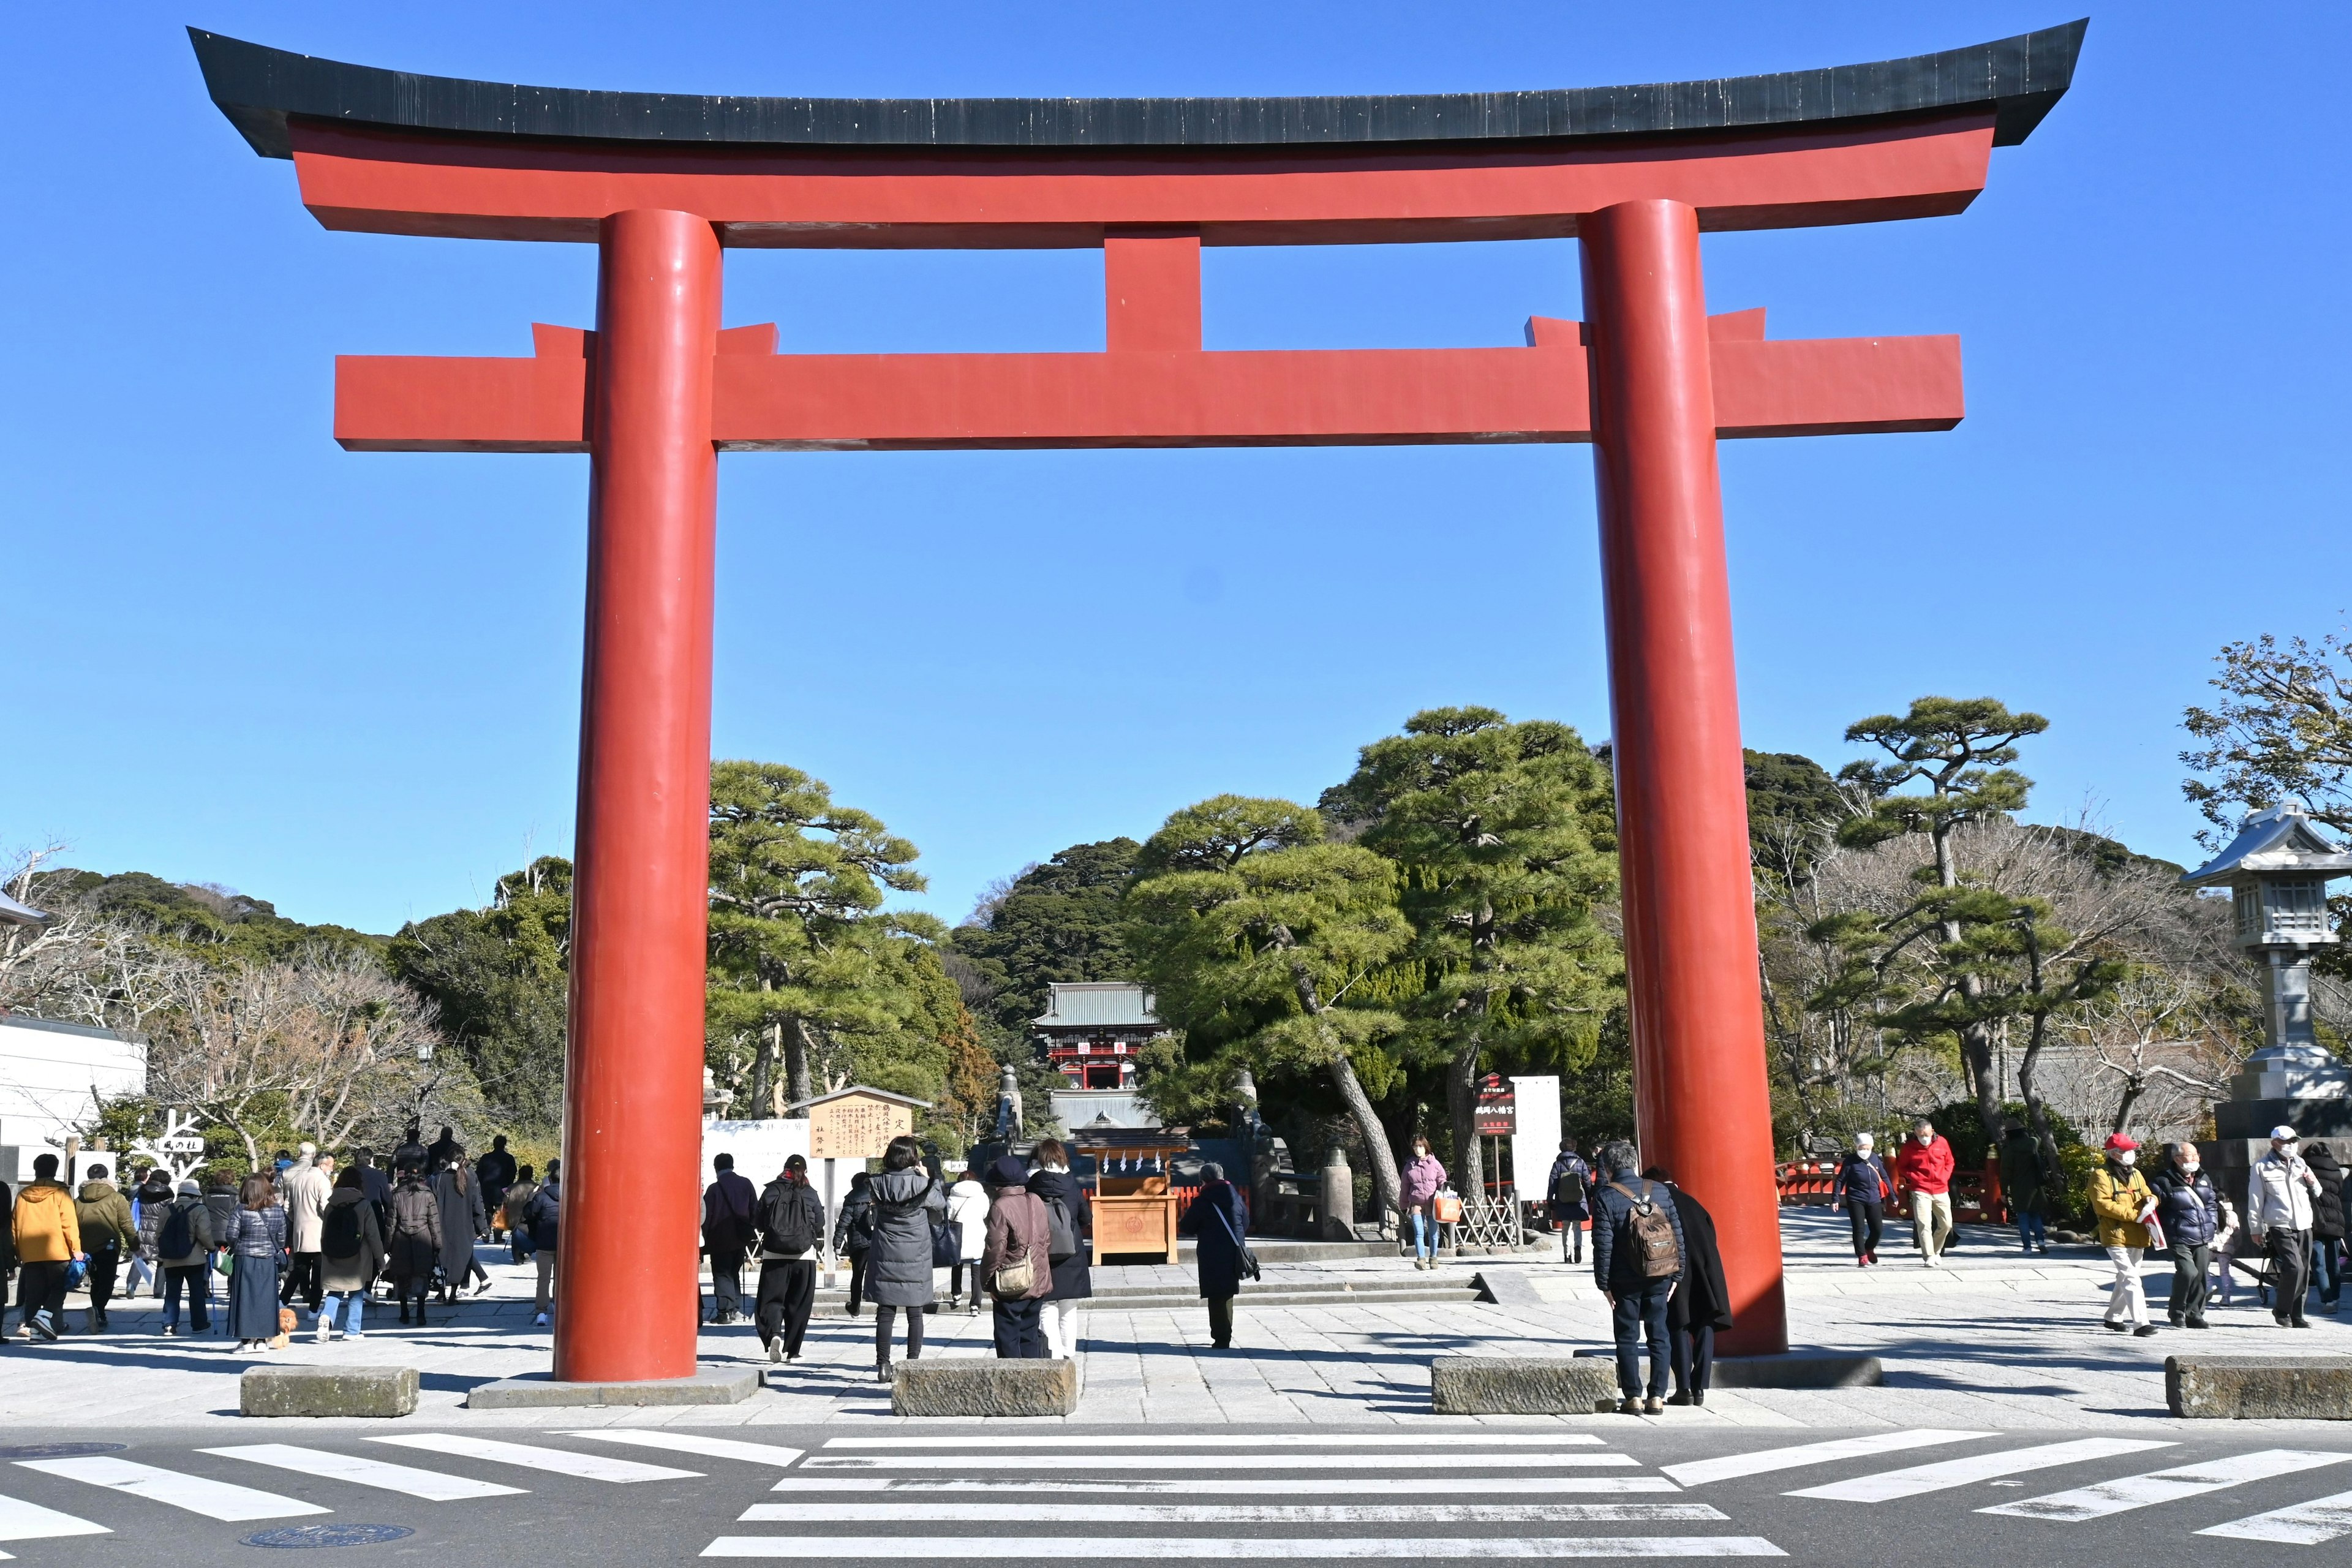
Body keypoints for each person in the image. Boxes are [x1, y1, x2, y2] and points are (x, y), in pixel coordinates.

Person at [1590, 1139, 1684, 1415]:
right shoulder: (1660, 1191)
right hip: (1660, 1273)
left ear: (1608, 1168)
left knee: (1627, 1337)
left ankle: (1632, 1397)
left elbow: (1603, 1244)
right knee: (1659, 1334)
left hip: (1625, 1279)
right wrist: (1677, 1274)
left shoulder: (1606, 1196)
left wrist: (1604, 1283)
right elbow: (1676, 1233)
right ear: (1634, 1163)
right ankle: (1657, 1396)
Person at [864, 1134, 947, 1382]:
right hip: (916, 1256)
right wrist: (927, 1176)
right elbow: (940, 1204)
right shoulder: (922, 1184)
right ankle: (912, 1364)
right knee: (915, 1312)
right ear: (913, 1158)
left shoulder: (877, 1183)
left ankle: (883, 1365)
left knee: (886, 1312)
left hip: (885, 1254)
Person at [1646, 1167, 1730, 1408]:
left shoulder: (1658, 1205)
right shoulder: (1696, 1204)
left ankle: (1684, 1388)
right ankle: (1700, 1387)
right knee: (1704, 1323)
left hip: (1676, 1269)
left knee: (1678, 1324)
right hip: (1706, 1271)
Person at [752, 1154, 826, 1363]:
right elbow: (820, 1224)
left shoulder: (771, 1190)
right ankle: (793, 1352)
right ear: (805, 1170)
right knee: (799, 1303)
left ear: (784, 1169)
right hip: (804, 1256)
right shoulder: (810, 1193)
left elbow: (758, 1222)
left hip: (774, 1255)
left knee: (772, 1299)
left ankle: (774, 1332)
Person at [2249, 1125, 2321, 1329]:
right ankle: (2281, 1309)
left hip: (2304, 1222)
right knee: (2294, 1266)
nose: (2292, 1145)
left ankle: (2297, 1314)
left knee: (2305, 1270)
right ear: (2275, 1144)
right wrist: (2255, 1228)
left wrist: (2312, 1181)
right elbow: (2255, 1199)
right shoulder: (2261, 1167)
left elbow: (2317, 1191)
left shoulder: (2301, 1164)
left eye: (2294, 1141)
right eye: (2287, 1141)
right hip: (2279, 1224)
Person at [1027, 1139, 1093, 1360]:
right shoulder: (1071, 1184)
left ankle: (1053, 1354)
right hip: (1071, 1252)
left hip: (1041, 1252)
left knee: (1046, 1308)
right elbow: (1086, 1217)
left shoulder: (1030, 1186)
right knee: (1068, 1308)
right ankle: (1068, 1354)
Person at [979, 1155, 1051, 1358]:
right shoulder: (1035, 1200)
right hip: (1038, 1279)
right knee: (1030, 1335)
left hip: (1012, 1283)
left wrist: (987, 1282)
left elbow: (995, 1249)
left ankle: (1012, 1385)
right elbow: (1046, 1240)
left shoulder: (1000, 1206)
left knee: (1007, 1337)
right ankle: (1033, 1382)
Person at [2089, 1132, 2158, 1336]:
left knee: (2127, 1276)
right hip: (2115, 1232)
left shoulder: (2136, 1173)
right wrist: (2133, 1215)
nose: (2130, 1154)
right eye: (2125, 1150)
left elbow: (2147, 1193)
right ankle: (2142, 1323)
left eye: (2131, 1150)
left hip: (2138, 1233)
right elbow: (2102, 1205)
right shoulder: (2100, 1175)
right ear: (2113, 1154)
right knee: (2131, 1278)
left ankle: (2113, 1316)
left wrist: (2152, 1200)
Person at [2149, 1142, 2223, 1330]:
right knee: (2188, 1271)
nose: (2195, 1159)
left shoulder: (2204, 1177)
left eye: (2196, 1155)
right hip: (2178, 1234)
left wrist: (2213, 1224)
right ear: (2177, 1159)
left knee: (2202, 1275)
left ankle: (2195, 1313)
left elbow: (2211, 1204)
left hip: (2202, 1234)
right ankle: (2177, 1311)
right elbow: (2156, 1206)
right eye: (2190, 1156)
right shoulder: (2164, 1181)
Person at [1179, 1161, 1251, 1349]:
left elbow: (1187, 1226)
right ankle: (1225, 1333)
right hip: (1234, 1251)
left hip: (1212, 1252)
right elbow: (1245, 1222)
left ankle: (1221, 1337)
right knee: (1228, 1292)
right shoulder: (1236, 1197)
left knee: (1216, 1294)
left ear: (1203, 1180)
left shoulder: (1204, 1201)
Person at [12, 1154, 83, 1342]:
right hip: (57, 1250)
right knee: (61, 1286)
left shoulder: (22, 1195)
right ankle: (45, 1316)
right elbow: (69, 1224)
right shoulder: (60, 1193)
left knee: (33, 1294)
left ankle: (35, 1334)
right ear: (55, 1170)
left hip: (30, 1253)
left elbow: (14, 1226)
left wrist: (18, 1250)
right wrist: (76, 1249)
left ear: (35, 1169)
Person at [318, 1165, 385, 1341]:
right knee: (356, 1292)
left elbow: (325, 1232)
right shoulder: (363, 1205)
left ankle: (326, 1316)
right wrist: (380, 1259)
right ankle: (352, 1330)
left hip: (333, 1253)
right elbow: (373, 1234)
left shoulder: (331, 1205)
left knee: (335, 1291)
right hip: (357, 1255)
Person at [226, 1172, 289, 1351]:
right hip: (268, 1259)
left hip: (245, 1258)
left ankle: (246, 1341)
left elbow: (231, 1235)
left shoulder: (241, 1209)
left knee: (244, 1299)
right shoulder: (277, 1209)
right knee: (266, 1299)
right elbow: (282, 1238)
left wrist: (240, 1246)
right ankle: (262, 1339)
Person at [74, 1163, 136, 1333]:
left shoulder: (78, 1200)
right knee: (107, 1281)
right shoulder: (116, 1198)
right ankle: (99, 1311)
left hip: (85, 1247)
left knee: (95, 1281)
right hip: (108, 1246)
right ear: (107, 1177)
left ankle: (97, 1311)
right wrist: (134, 1244)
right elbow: (126, 1224)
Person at [154, 1178, 217, 1336]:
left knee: (172, 1292)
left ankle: (169, 1324)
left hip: (170, 1258)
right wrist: (210, 1247)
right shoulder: (199, 1209)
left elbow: (159, 1234)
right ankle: (199, 1324)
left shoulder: (167, 1210)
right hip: (194, 1258)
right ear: (195, 1195)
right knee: (196, 1291)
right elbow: (204, 1233)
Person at [702, 1152, 758, 1325]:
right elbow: (755, 1210)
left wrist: (704, 1239)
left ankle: (725, 1311)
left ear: (716, 1167)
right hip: (740, 1238)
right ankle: (733, 1307)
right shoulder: (745, 1184)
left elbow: (706, 1217)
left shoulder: (714, 1189)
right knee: (733, 1272)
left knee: (722, 1275)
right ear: (732, 1165)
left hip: (719, 1239)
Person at [279, 1143, 331, 1322]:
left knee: (300, 1269)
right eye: (331, 1165)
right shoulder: (322, 1180)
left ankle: (282, 1301)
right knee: (318, 1272)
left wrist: (298, 1220)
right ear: (322, 1165)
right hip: (318, 1232)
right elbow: (326, 1207)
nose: (331, 1169)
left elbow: (288, 1208)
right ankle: (314, 1309)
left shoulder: (297, 1180)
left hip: (299, 1232)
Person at [386, 1160, 443, 1327]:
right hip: (423, 1238)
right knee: (421, 1275)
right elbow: (434, 1222)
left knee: (402, 1276)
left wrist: (387, 1245)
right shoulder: (428, 1195)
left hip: (401, 1239)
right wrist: (437, 1244)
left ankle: (404, 1312)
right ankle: (421, 1313)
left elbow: (391, 1223)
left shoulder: (397, 1195)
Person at [1894, 1120, 1956, 1266]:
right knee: (1923, 1223)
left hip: (1941, 1189)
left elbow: (1950, 1162)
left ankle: (1936, 1251)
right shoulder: (1909, 1147)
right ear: (1916, 1133)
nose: (1924, 1138)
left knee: (1947, 1224)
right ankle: (1928, 1256)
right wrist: (1915, 1178)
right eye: (1921, 1135)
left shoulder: (1942, 1143)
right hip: (1921, 1190)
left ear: (1932, 1131)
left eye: (1927, 1135)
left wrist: (1945, 1176)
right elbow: (1902, 1167)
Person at [429, 1153, 488, 1303]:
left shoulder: (440, 1179)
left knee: (442, 1259)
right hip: (464, 1226)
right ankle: (453, 1294)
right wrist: (483, 1228)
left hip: (442, 1224)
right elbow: (477, 1205)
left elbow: (431, 1202)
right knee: (459, 1260)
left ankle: (441, 1291)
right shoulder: (469, 1180)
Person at [1831, 1133, 1890, 1266]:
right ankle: (1862, 1255)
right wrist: (1835, 1199)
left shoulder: (1875, 1158)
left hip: (1874, 1198)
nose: (1865, 1151)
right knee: (1859, 1228)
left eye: (1868, 1148)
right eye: (1862, 1148)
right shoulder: (1850, 1161)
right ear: (1857, 1147)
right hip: (1856, 1198)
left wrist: (1892, 1195)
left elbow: (1885, 1177)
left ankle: (1869, 1247)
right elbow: (1840, 1180)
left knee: (1878, 1229)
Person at [2000, 1123, 2056, 1255]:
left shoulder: (2009, 1149)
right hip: (2035, 1186)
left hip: (2018, 1186)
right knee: (2035, 1215)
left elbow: (2005, 1173)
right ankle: (2041, 1241)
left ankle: (2027, 1247)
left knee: (2023, 1217)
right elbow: (2038, 1139)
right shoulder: (2032, 1143)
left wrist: (2003, 1192)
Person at [2306, 1141, 2345, 1316]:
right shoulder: (2337, 1171)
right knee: (2333, 1262)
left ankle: (2328, 1300)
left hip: (2315, 1220)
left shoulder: (2305, 1169)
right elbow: (2340, 1193)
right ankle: (2335, 1297)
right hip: (2336, 1220)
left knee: (2318, 1262)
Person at [945, 1163, 990, 1313]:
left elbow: (949, 1216)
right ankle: (975, 1304)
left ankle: (956, 1294)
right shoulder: (982, 1196)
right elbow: (985, 1214)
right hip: (977, 1234)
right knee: (976, 1271)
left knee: (956, 1265)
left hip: (958, 1235)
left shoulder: (952, 1197)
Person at [832, 1171, 876, 1316]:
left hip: (859, 1246)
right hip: (877, 1242)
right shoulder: (877, 1196)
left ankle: (855, 1307)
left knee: (857, 1276)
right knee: (878, 1276)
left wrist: (837, 1244)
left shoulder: (852, 1199)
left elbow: (843, 1223)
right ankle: (882, 1309)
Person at [1401, 1135, 1447, 1270]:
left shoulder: (1435, 1163)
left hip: (1433, 1203)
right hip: (1416, 1203)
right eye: (1415, 1147)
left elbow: (1442, 1179)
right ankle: (1421, 1259)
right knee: (1419, 1232)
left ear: (1425, 1147)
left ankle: (1433, 1258)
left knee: (1433, 1233)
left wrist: (1445, 1185)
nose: (1417, 1149)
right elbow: (1404, 1188)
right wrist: (1403, 1206)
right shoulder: (1409, 1166)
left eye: (1420, 1146)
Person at [524, 1160, 561, 1324]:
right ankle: (559, 1305)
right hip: (564, 1244)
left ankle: (541, 1312)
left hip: (544, 1243)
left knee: (543, 1278)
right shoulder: (572, 1195)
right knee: (561, 1279)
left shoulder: (541, 1197)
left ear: (550, 1180)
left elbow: (528, 1214)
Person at [127, 1166, 170, 1300]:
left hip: (143, 1228)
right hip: (160, 1230)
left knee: (141, 1257)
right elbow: (169, 1213)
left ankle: (131, 1285)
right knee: (162, 1260)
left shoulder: (142, 1192)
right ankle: (158, 1291)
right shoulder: (168, 1195)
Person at [1548, 1139, 1592, 1264]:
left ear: (1561, 1149)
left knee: (1565, 1226)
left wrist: (1550, 1199)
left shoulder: (1557, 1164)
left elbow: (1552, 1183)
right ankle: (1578, 1247)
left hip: (1563, 1199)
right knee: (1577, 1226)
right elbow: (1587, 1181)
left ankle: (1567, 1255)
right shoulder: (1581, 1162)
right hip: (1579, 1198)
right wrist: (1588, 1196)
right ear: (1574, 1148)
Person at [476, 1136, 518, 1242]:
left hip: (487, 1188)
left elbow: (479, 1173)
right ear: (504, 1145)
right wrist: (508, 1185)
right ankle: (498, 1237)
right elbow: (512, 1173)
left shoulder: (486, 1157)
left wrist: (481, 1185)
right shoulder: (509, 1158)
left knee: (488, 1211)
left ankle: (486, 1233)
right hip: (502, 1189)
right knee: (500, 1211)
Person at [502, 1164, 541, 1267]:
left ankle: (517, 1258)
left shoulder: (512, 1187)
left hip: (515, 1216)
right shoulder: (536, 1187)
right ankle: (527, 1252)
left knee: (516, 1236)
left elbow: (505, 1201)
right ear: (531, 1174)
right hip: (530, 1217)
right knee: (531, 1235)